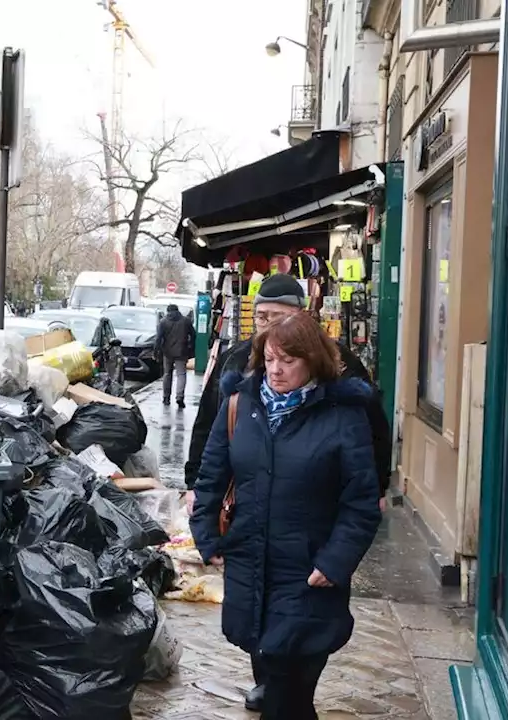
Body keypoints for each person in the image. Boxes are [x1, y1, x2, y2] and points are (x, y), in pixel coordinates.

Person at [183, 273, 391, 711]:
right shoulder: (242, 403)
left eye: (288, 361)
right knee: (277, 674)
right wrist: (206, 533)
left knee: (291, 687)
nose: (276, 370)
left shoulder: (343, 414)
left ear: (312, 360)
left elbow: (361, 502)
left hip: (309, 568)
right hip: (251, 562)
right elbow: (212, 474)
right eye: (270, 359)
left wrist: (336, 561)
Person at [155, 303, 195, 408]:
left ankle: (166, 398)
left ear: (168, 311)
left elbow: (158, 338)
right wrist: (191, 349)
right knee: (181, 375)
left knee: (167, 374)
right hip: (182, 352)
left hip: (167, 353)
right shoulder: (186, 321)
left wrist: (156, 351)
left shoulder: (163, 322)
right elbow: (193, 335)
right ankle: (179, 397)